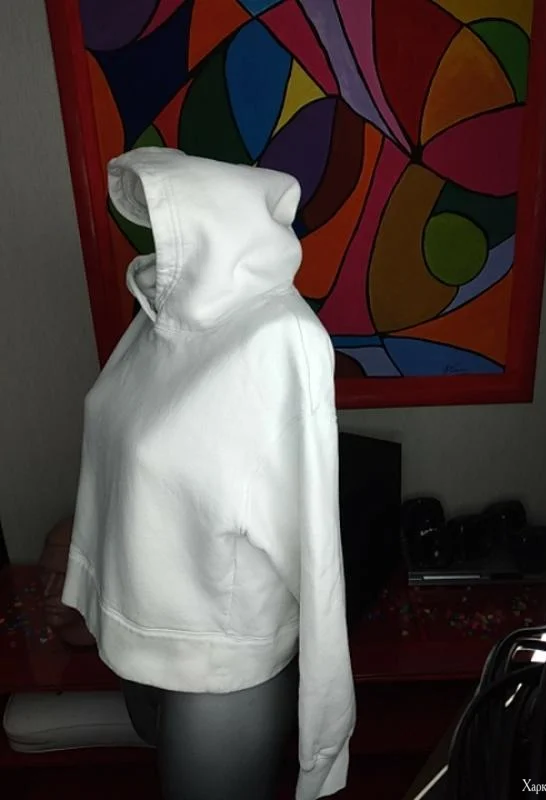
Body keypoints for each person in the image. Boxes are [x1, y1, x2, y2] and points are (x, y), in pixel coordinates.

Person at [61, 148, 355, 800]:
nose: (155, 244)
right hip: (139, 642)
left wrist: (326, 736)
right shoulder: (156, 322)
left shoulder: (280, 339)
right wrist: (91, 588)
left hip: (222, 668)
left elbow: (317, 550)